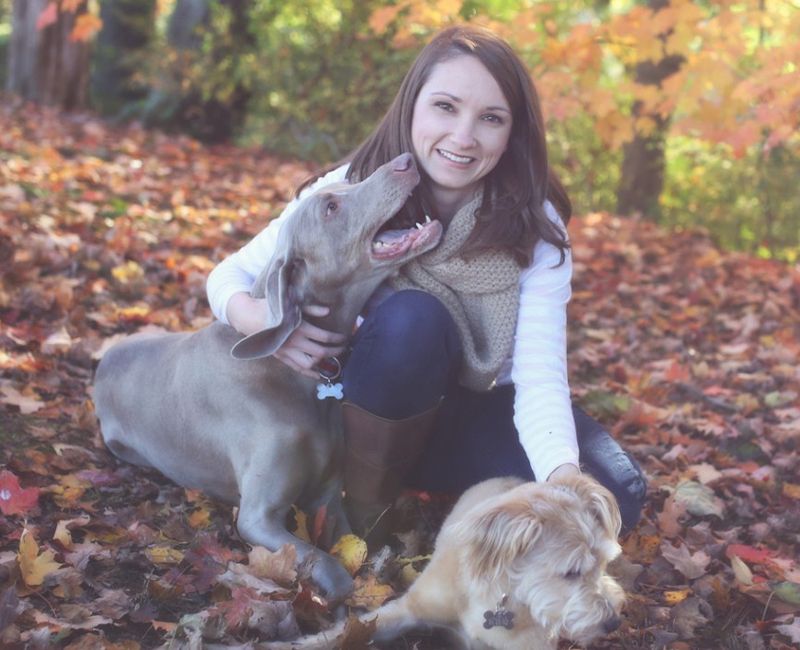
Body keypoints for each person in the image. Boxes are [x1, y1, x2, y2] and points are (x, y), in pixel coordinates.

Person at [206, 25, 647, 539]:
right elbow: (228, 275)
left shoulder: (533, 227)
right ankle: (361, 509)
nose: (464, 136)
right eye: (446, 107)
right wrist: (262, 320)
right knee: (414, 316)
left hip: (468, 410)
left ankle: (431, 490)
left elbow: (539, 376)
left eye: (490, 118)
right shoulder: (352, 191)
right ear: (412, 106)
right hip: (363, 407)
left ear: (512, 134)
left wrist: (563, 475)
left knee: (615, 497)